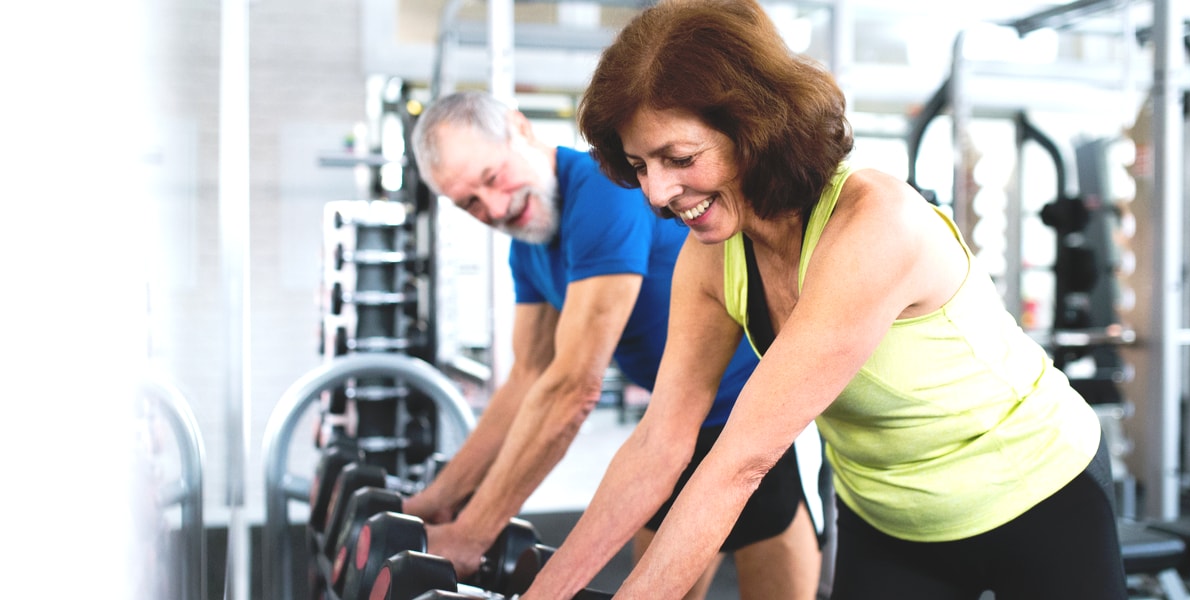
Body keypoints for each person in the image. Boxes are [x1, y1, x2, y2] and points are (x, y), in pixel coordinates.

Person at [521, 0, 1128, 598]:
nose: (656, 193)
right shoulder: (712, 254)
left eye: (679, 159)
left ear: (753, 128)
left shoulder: (875, 224)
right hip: (888, 517)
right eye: (639, 165)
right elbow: (661, 442)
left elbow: (740, 463)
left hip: (1037, 493)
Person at [404, 89, 826, 598]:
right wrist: (435, 503)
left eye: (492, 178)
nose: (494, 206)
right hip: (671, 425)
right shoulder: (531, 243)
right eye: (470, 202)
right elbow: (526, 379)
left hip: (750, 420)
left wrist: (472, 534)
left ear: (520, 128)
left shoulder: (604, 189)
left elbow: (572, 389)